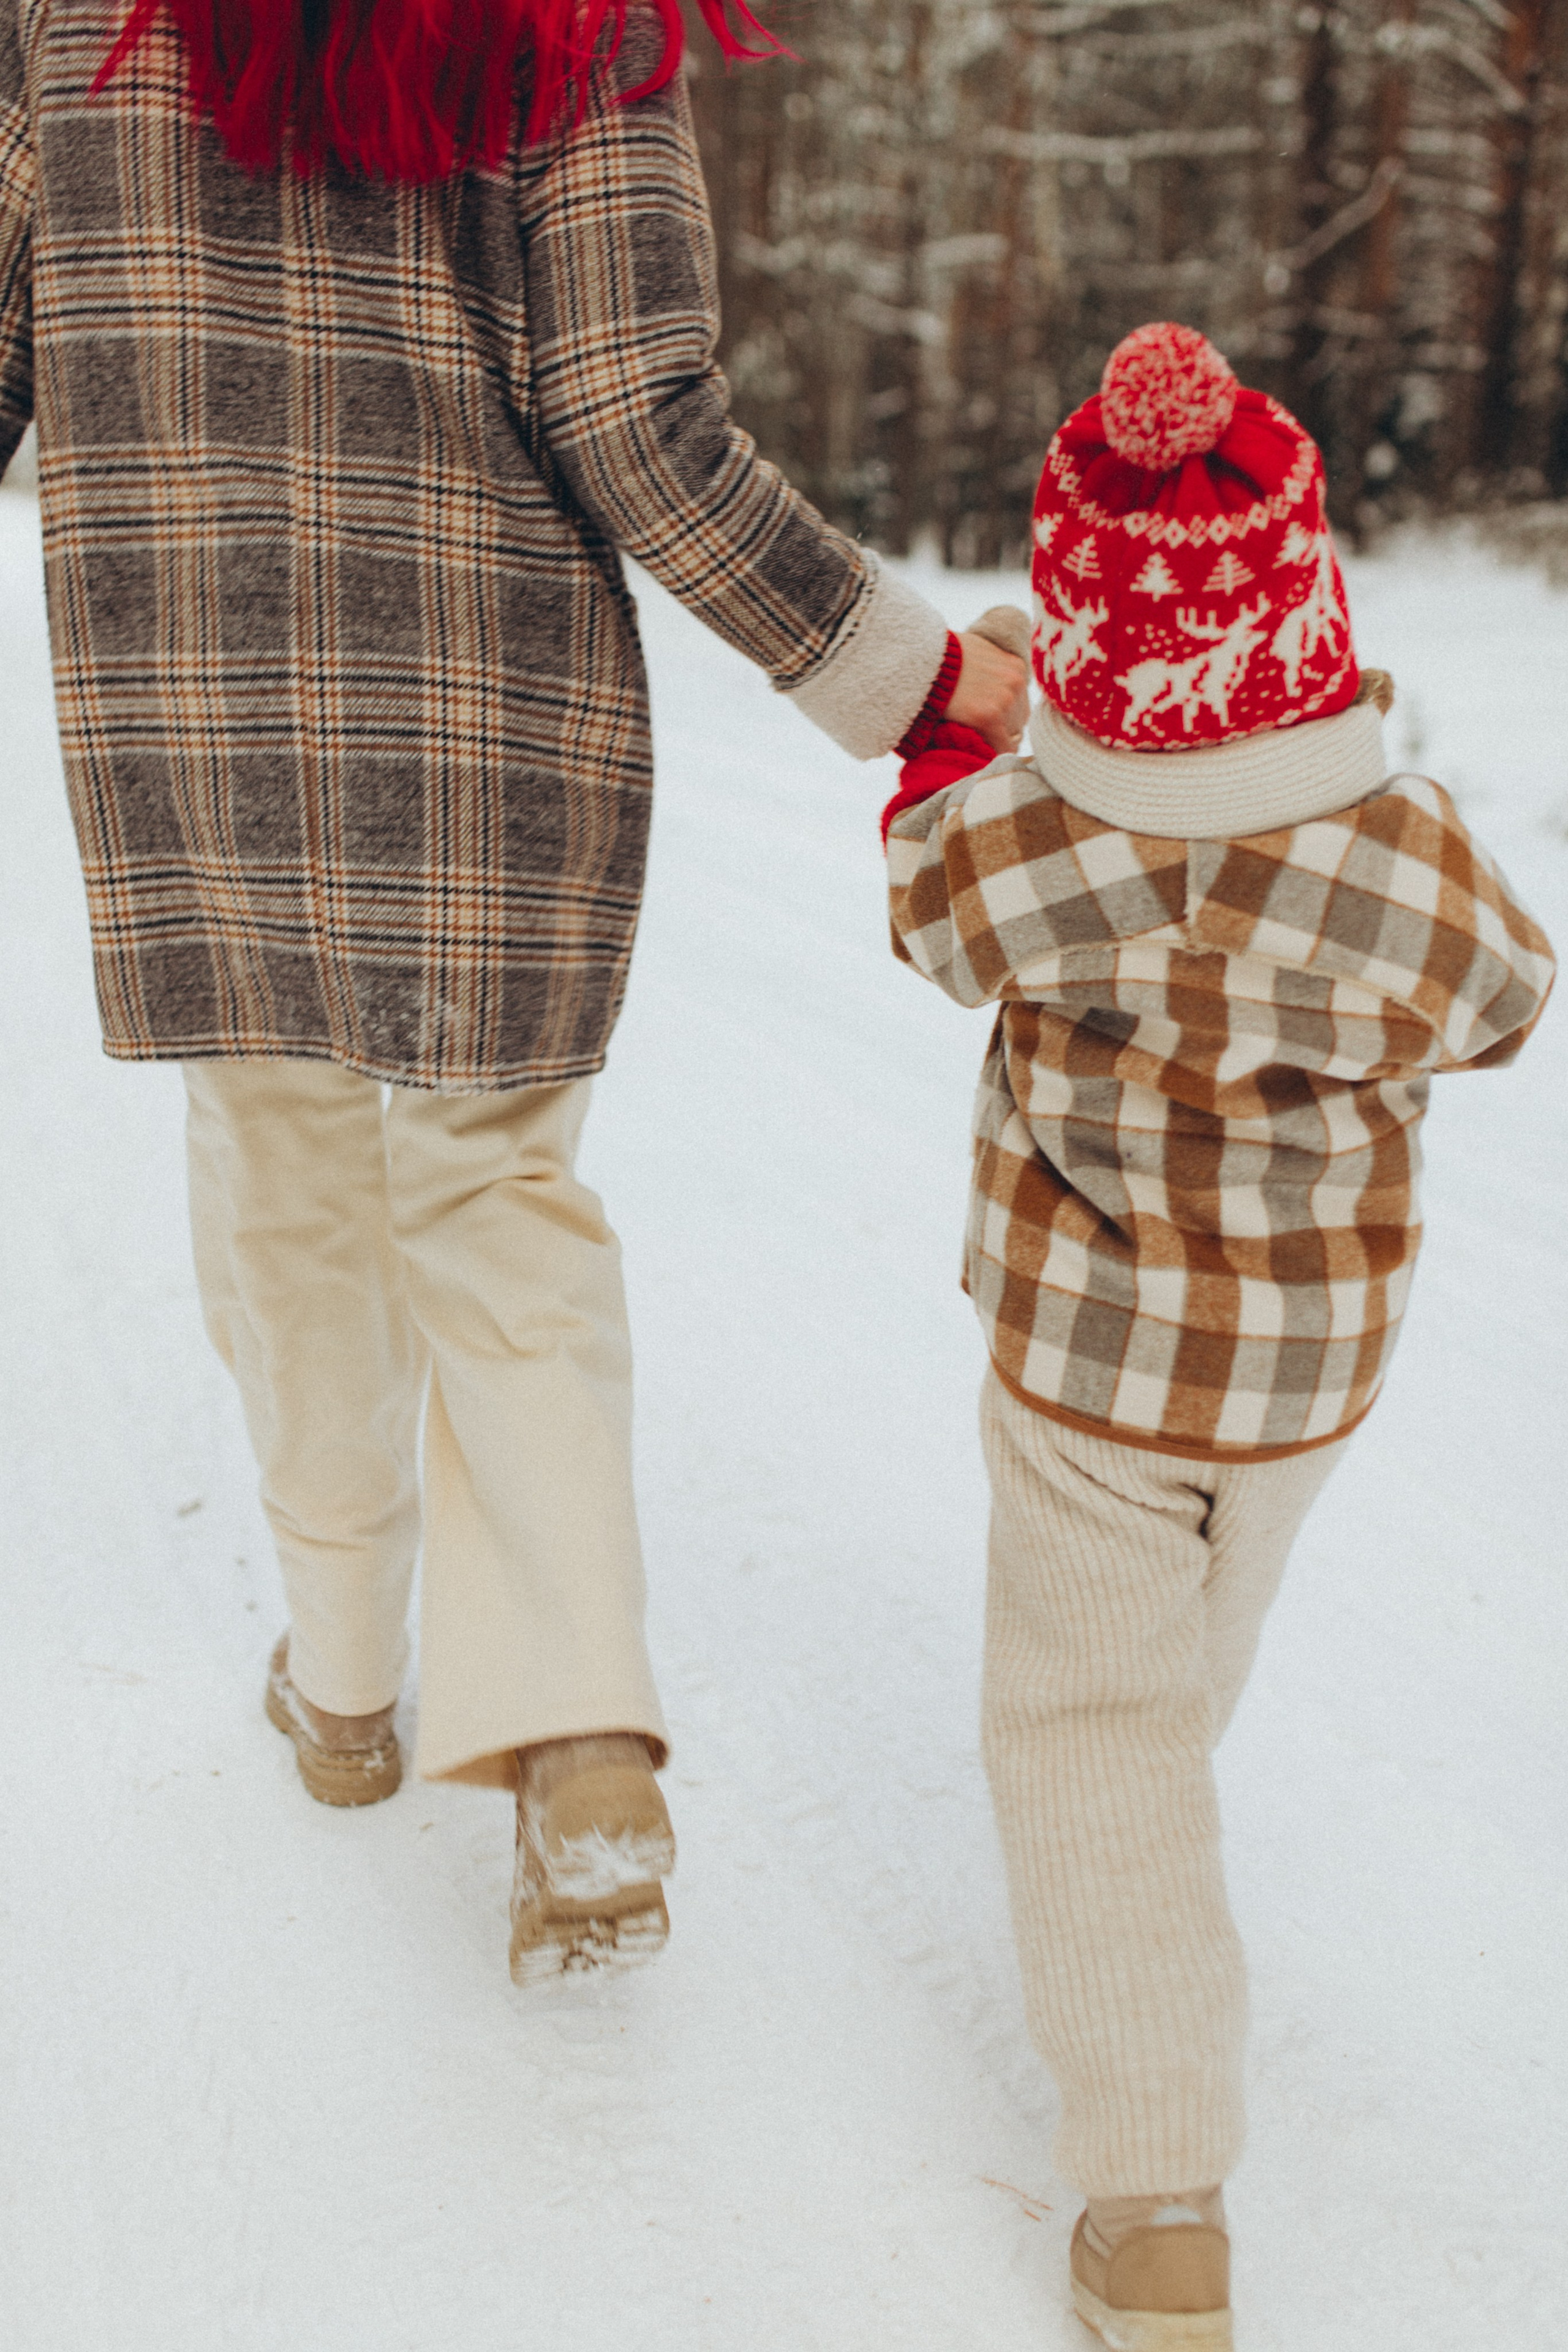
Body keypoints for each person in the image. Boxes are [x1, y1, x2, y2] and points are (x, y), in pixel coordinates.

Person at [0, 0, 1028, 1985]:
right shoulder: (573, 26)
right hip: (497, 709)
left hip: (199, 715)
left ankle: (350, 1685)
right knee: (497, 1204)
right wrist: (915, 670)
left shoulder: (67, 26)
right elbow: (644, 425)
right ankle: (578, 1736)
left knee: (286, 1187)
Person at [884, 322, 1555, 2350]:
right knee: (1177, 1682)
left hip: (1087, 1364)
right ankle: (1141, 1881)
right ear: (1314, 619)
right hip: (1306, 1377)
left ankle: (1157, 2194)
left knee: (1094, 1739)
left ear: (1090, 657)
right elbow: (1514, 1001)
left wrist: (982, 735)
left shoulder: (1032, 838)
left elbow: (922, 903)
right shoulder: (1406, 849)